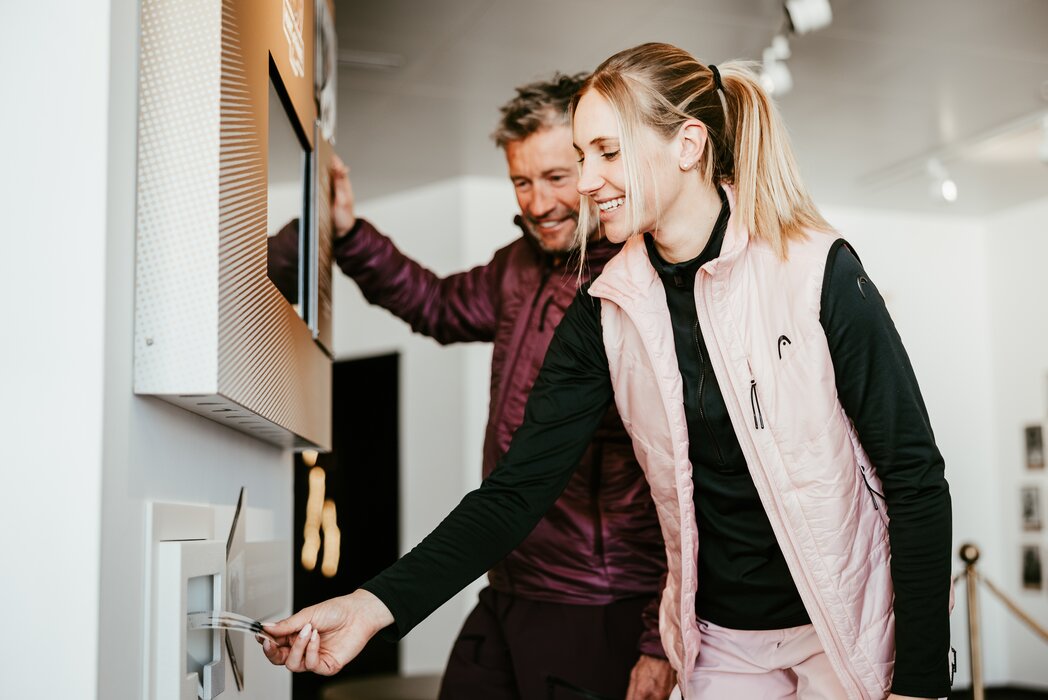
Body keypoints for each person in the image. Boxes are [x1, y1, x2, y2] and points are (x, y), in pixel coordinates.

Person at [262, 43, 953, 700]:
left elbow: (914, 478)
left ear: (688, 146)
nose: (588, 182)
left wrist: (922, 680)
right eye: (581, 156)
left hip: (838, 630)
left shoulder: (816, 271)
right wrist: (374, 605)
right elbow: (515, 493)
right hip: (722, 645)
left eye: (606, 153)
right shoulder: (605, 308)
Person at [268, 73, 673, 700]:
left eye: (556, 177)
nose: (538, 203)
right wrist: (349, 235)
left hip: (596, 600)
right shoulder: (516, 266)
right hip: (508, 575)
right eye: (521, 181)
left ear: (595, 168)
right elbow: (435, 304)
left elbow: (682, 479)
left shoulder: (635, 284)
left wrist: (658, 635)